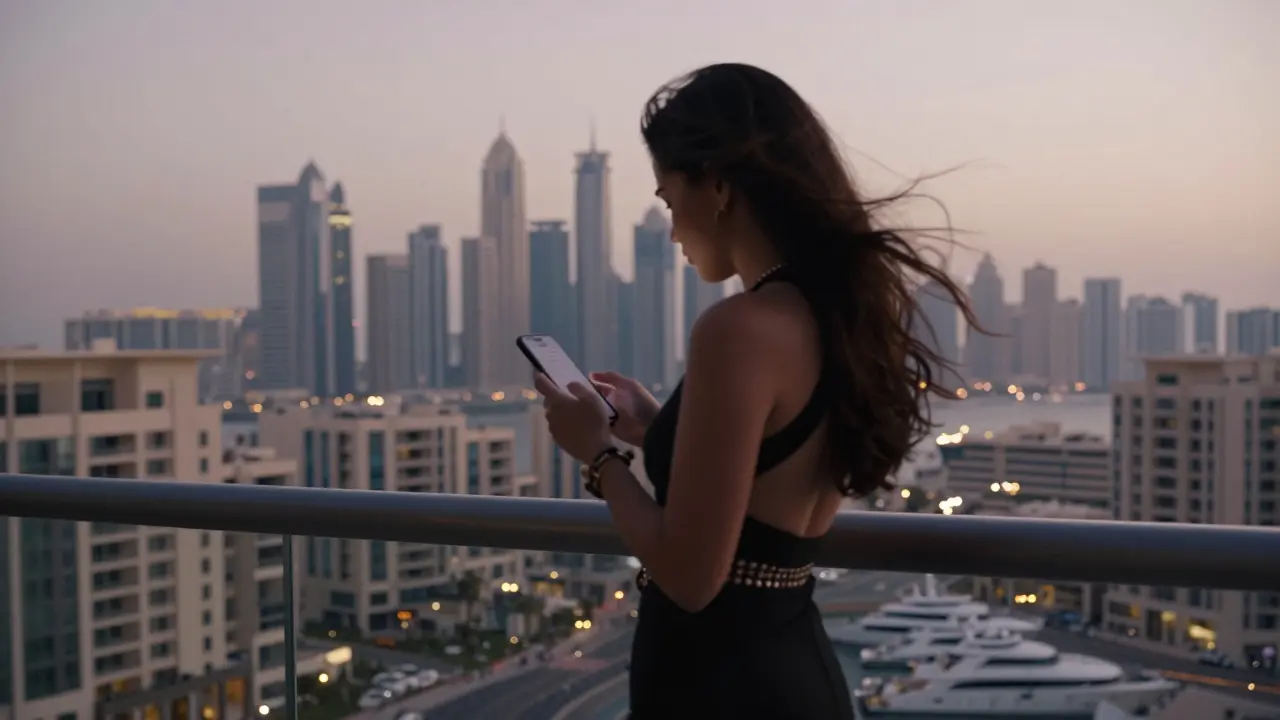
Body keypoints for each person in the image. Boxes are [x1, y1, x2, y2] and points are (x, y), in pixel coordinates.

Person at [535, 63, 978, 718]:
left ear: (716, 185)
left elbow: (690, 577)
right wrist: (658, 427)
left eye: (667, 199)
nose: (670, 227)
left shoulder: (738, 329)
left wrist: (597, 454)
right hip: (788, 664)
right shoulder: (836, 318)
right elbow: (765, 482)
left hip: (721, 686)